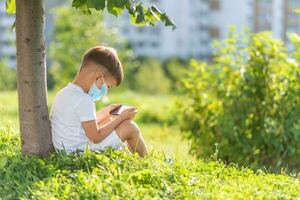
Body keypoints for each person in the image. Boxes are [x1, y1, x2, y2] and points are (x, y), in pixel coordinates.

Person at [50, 46, 148, 157]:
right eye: (108, 87)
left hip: (68, 150)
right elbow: (95, 137)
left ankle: (125, 154)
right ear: (99, 77)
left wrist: (106, 112)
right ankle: (146, 160)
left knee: (108, 120)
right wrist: (121, 118)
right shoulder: (84, 99)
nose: (105, 92)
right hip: (80, 155)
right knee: (130, 127)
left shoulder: (64, 93)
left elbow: (81, 124)